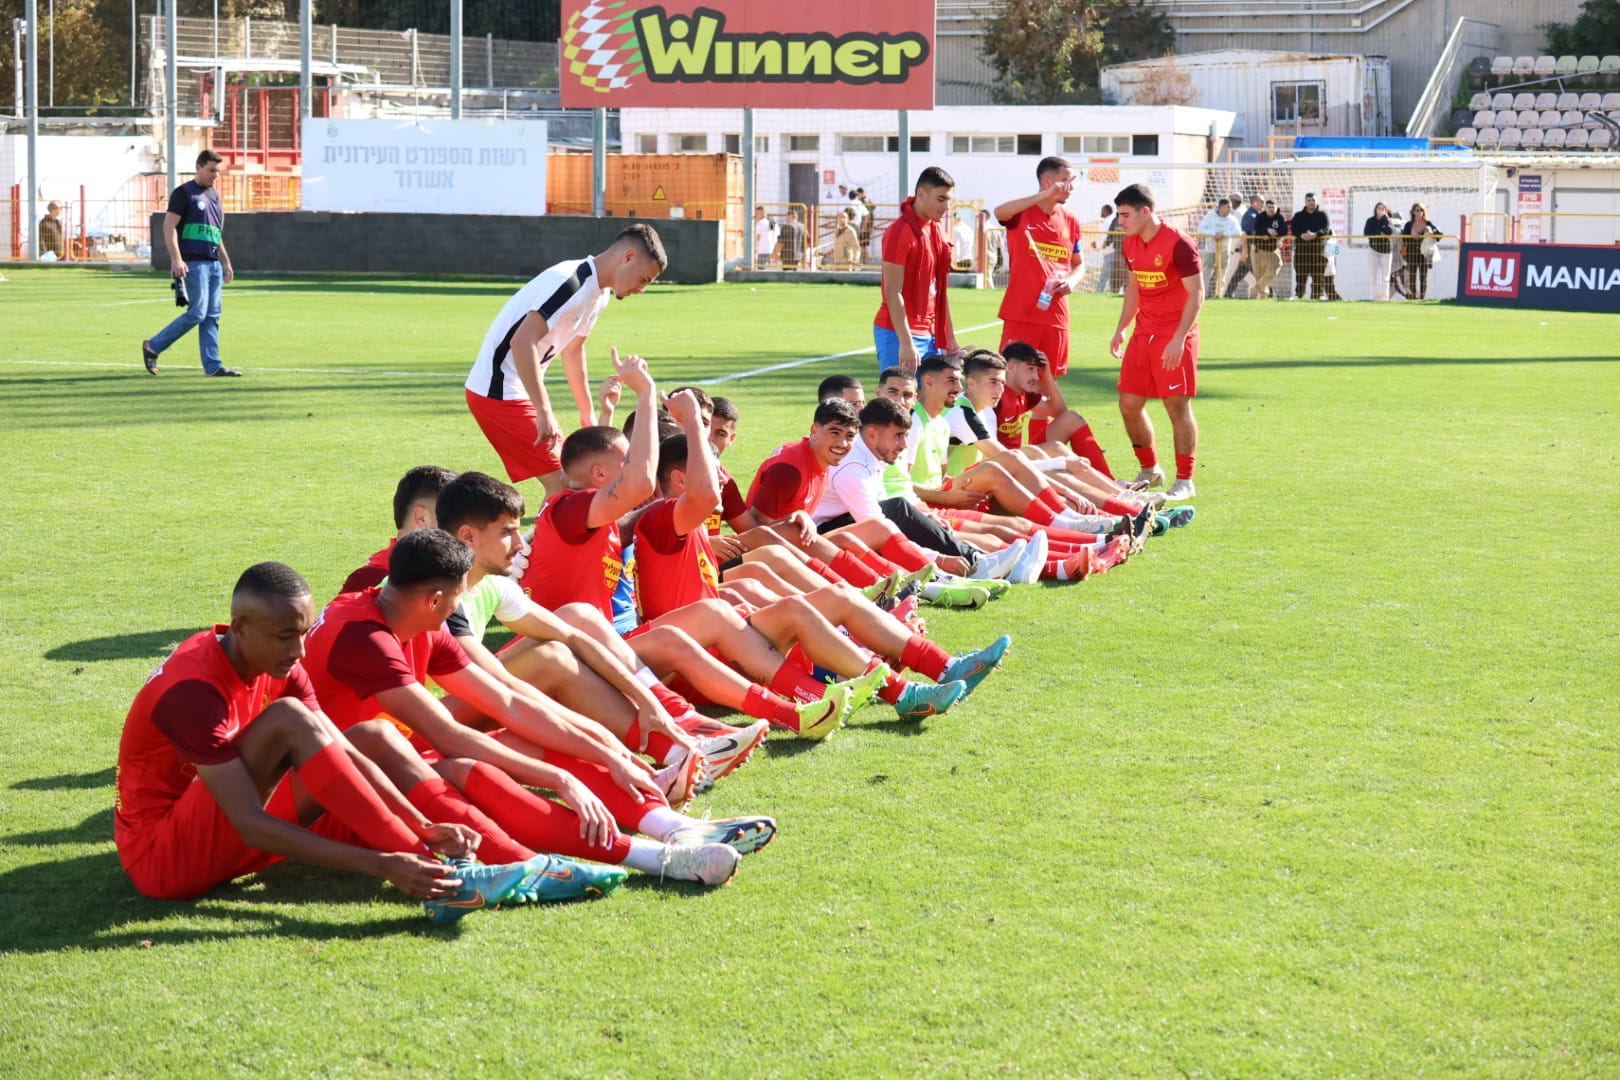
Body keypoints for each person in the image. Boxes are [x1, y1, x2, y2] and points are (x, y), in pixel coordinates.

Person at [113, 561, 568, 921]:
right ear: (241, 627)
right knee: (289, 718)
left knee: (373, 734)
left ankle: (491, 863)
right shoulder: (193, 692)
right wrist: (383, 865)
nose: (299, 651)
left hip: (223, 821)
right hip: (164, 860)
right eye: (285, 636)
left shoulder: (281, 664)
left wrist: (419, 824)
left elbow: (346, 751)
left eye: (302, 632)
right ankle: (441, 876)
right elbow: (249, 824)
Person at [463, 224, 666, 498]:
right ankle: (540, 531)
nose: (641, 289)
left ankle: (544, 528)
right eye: (643, 279)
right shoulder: (569, 283)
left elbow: (573, 350)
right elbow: (522, 342)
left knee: (573, 480)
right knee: (564, 483)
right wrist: (543, 410)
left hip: (514, 391)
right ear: (628, 257)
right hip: (497, 392)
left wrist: (587, 413)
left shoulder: (600, 293)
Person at [1110, 183, 1202, 502]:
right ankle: (1149, 470)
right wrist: (1122, 328)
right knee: (1128, 405)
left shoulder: (1180, 243)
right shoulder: (1130, 243)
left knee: (1176, 406)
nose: (1120, 221)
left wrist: (1179, 339)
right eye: (1119, 215)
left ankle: (1185, 480)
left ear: (1145, 211)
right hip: (1143, 334)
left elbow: (1197, 294)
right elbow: (1134, 288)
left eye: (1125, 215)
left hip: (1174, 335)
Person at [140, 150, 239, 377]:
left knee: (212, 316)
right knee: (197, 313)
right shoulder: (184, 193)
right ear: (199, 167)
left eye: (217, 171)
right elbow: (169, 227)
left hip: (213, 265)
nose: (215, 175)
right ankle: (153, 346)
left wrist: (226, 262)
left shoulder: (215, 197)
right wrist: (176, 259)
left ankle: (213, 366)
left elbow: (216, 234)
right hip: (193, 264)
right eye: (211, 170)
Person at [992, 156, 1084, 377]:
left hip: (1056, 315)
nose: (1071, 187)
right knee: (1013, 378)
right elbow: (999, 212)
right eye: (1066, 181)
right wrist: (1045, 195)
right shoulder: (1022, 212)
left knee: (1048, 381)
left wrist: (1072, 281)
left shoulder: (1070, 219)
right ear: (1047, 181)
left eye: (1073, 181)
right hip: (1022, 313)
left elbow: (1079, 264)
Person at [873, 167, 957, 377]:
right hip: (897, 332)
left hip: (930, 333)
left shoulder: (937, 231)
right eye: (941, 199)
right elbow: (892, 292)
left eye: (948, 200)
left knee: (935, 396)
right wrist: (906, 342)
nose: (946, 207)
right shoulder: (899, 232)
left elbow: (938, 291)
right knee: (900, 395)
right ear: (921, 194)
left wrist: (950, 339)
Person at [1289, 192, 1332, 301]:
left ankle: (1317, 297)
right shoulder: (1298, 215)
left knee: (1318, 276)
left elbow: (1326, 229)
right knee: (1301, 276)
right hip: (1301, 251)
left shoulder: (1322, 215)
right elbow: (1294, 229)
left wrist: (1315, 234)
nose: (1311, 202)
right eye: (1309, 200)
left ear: (1316, 201)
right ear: (1305, 202)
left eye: (1313, 200)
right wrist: (1301, 235)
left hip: (1318, 252)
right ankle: (1299, 296)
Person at [1197, 199, 1243, 299]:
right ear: (1221, 207)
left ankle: (1218, 294)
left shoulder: (1232, 219)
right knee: (1206, 272)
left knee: (1222, 273)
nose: (1230, 209)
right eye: (1228, 207)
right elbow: (1201, 229)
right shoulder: (1210, 216)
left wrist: (1223, 235)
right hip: (1210, 249)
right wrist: (1213, 233)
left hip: (1224, 250)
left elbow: (1238, 232)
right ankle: (1202, 295)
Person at [1225, 195, 1265, 298]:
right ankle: (1268, 294)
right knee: (1260, 274)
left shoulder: (1257, 215)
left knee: (1239, 274)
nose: (1263, 204)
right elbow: (1244, 234)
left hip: (1253, 251)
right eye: (1261, 201)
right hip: (1250, 251)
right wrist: (1245, 251)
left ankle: (1228, 294)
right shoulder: (1250, 216)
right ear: (1254, 203)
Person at [1401, 203, 1442, 300]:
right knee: (1412, 276)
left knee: (1423, 277)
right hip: (1411, 253)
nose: (1420, 212)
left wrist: (1431, 233)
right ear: (1413, 212)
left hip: (1424, 254)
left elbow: (1439, 235)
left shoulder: (1428, 223)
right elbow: (1403, 238)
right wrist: (1411, 234)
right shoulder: (1408, 225)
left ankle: (1422, 298)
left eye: (1422, 210)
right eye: (1417, 210)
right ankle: (1413, 298)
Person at [1249, 199, 1287, 299]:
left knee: (1273, 270)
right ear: (1265, 208)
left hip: (1272, 250)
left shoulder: (1280, 218)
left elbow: (1284, 231)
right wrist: (1266, 231)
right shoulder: (1260, 217)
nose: (1271, 209)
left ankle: (1254, 290)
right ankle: (1263, 297)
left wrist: (1273, 235)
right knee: (1259, 275)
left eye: (1273, 207)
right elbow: (1256, 228)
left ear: (1277, 208)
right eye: (1269, 207)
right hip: (1258, 250)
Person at [1364, 202, 1396, 302]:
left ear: (1385, 210)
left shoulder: (1387, 220)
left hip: (1386, 252)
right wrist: (1379, 232)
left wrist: (1384, 222)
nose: (1381, 210)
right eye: (1379, 208)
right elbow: (1367, 233)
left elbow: (1389, 232)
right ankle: (1373, 297)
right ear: (1375, 209)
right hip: (1374, 250)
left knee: (1385, 276)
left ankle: (1384, 298)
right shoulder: (1370, 220)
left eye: (1383, 208)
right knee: (1373, 275)